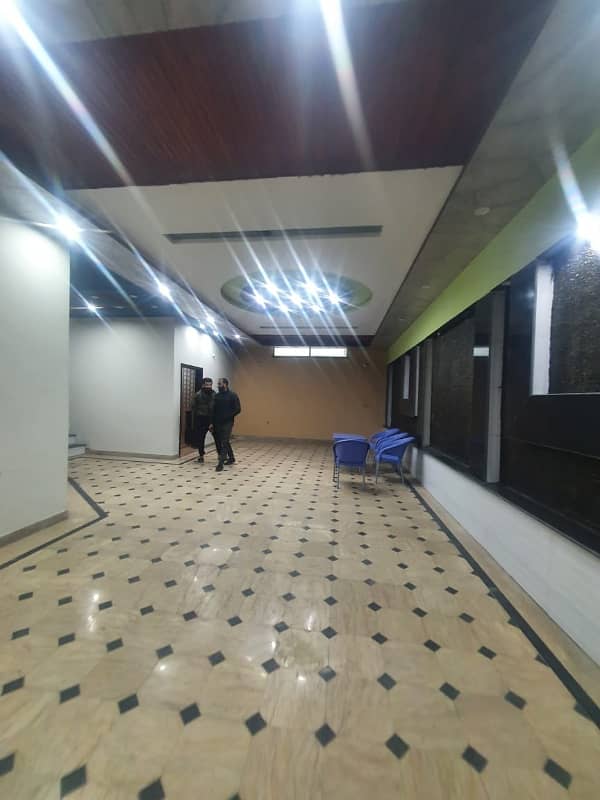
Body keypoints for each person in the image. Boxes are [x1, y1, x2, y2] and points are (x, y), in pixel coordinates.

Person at [211, 377, 241, 472]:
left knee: (224, 441)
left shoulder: (233, 395)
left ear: (225, 384)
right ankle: (231, 458)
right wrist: (212, 423)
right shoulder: (217, 396)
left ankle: (220, 463)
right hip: (218, 422)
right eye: (218, 384)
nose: (218, 385)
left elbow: (238, 409)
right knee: (224, 440)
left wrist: (228, 416)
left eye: (219, 384)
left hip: (228, 422)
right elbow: (213, 410)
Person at [191, 377, 215, 463]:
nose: (208, 386)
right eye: (207, 385)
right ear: (203, 385)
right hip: (201, 419)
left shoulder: (214, 394)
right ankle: (201, 456)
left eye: (210, 385)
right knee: (200, 438)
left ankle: (221, 455)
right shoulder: (197, 395)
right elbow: (193, 407)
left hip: (212, 418)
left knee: (218, 438)